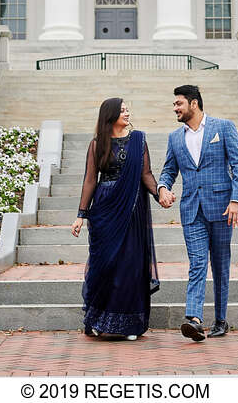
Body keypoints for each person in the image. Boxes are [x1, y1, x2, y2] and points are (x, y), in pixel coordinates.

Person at [157, 84, 238, 341]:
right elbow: (168, 170)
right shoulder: (175, 137)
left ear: (193, 104)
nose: (175, 108)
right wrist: (163, 187)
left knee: (220, 265)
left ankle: (220, 320)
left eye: (179, 104)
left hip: (222, 208)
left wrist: (236, 200)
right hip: (191, 209)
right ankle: (194, 319)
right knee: (197, 262)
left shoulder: (223, 127)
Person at [71, 97, 163, 339]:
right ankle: (98, 320)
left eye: (127, 109)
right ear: (110, 115)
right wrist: (82, 215)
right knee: (104, 264)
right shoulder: (97, 144)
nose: (127, 113)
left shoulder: (138, 141)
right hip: (104, 211)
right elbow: (90, 180)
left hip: (132, 211)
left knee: (130, 265)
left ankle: (129, 325)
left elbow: (146, 174)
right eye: (122, 110)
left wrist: (159, 192)